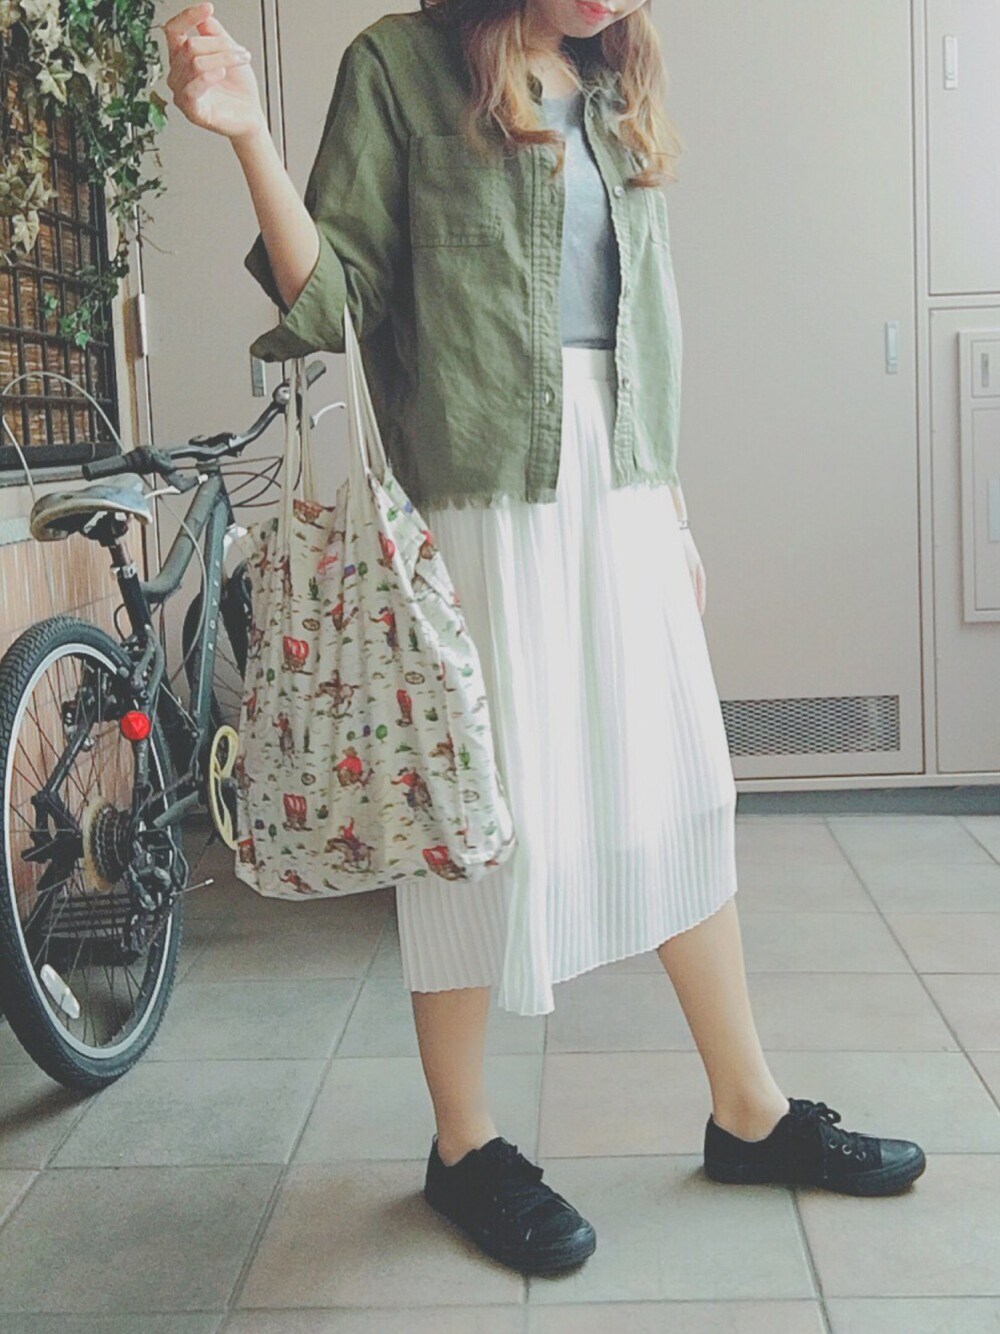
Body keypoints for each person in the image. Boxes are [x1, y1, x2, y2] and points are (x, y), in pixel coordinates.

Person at [164, 0, 926, 1279]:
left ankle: (747, 1109)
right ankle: (464, 1142)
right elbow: (333, 301)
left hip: (620, 490)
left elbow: (642, 315)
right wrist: (247, 134)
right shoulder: (396, 67)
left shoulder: (611, 75)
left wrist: (669, 500)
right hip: (480, 505)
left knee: (685, 785)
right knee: (475, 817)